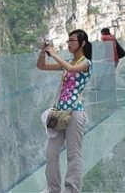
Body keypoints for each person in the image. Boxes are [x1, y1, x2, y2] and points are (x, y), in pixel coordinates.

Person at [37, 29, 93, 193]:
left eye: (72, 41)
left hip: (75, 112)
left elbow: (70, 68)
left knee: (73, 154)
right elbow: (41, 66)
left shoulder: (86, 63)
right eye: (68, 41)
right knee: (51, 152)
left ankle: (71, 189)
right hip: (59, 112)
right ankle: (53, 188)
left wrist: (54, 53)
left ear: (82, 43)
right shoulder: (68, 62)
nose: (69, 44)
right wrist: (43, 52)